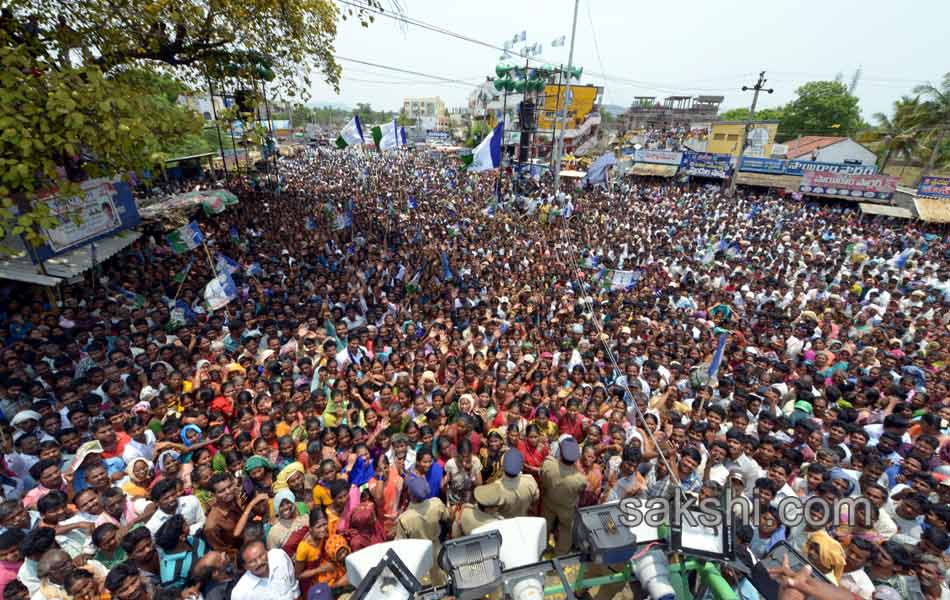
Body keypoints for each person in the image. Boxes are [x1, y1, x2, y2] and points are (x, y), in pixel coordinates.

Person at [395, 477, 451, 585]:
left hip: (418, 556)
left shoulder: (404, 518)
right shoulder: (436, 503)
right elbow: (447, 519)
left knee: (425, 586)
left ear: (411, 494)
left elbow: (400, 543)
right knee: (441, 582)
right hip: (437, 550)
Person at [541, 437, 587, 554]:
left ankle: (542, 547)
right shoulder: (580, 479)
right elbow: (580, 491)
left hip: (549, 502)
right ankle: (561, 554)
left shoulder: (548, 464)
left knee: (545, 526)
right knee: (566, 531)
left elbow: (543, 477)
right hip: (567, 508)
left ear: (560, 452)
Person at [231, 540, 299, 600]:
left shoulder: (279, 556)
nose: (259, 562)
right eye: (252, 561)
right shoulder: (240, 593)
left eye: (261, 556)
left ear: (267, 551)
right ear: (245, 566)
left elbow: (293, 585)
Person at [491, 449, 540, 519]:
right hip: (524, 519)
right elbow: (535, 501)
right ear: (521, 466)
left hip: (505, 523)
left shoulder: (496, 486)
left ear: (503, 466)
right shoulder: (530, 480)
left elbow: (493, 510)